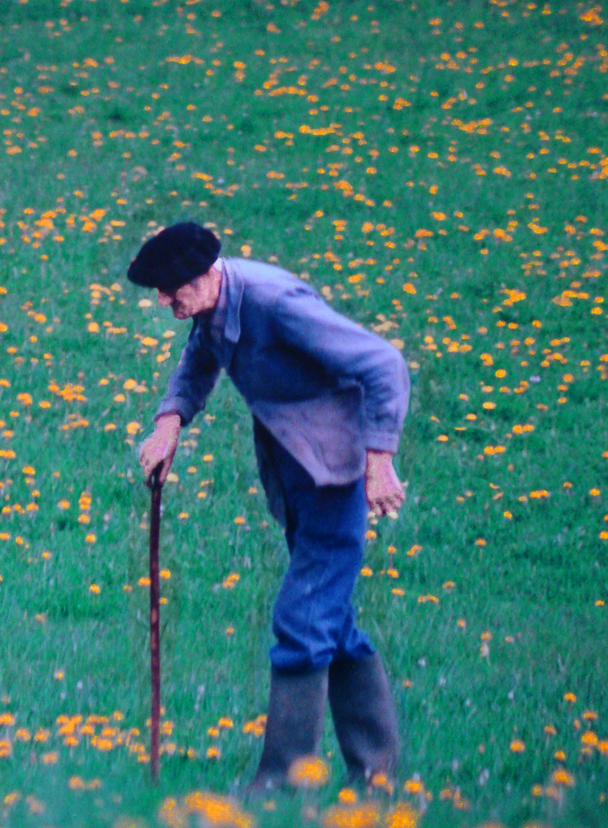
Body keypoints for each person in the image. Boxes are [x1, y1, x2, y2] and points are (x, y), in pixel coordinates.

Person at [128, 221, 409, 791]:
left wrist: (379, 461)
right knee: (334, 625)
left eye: (168, 288)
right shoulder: (213, 306)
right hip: (295, 471)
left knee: (303, 619)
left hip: (336, 473)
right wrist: (169, 423)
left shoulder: (275, 302)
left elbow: (384, 365)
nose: (163, 301)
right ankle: (377, 780)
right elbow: (199, 361)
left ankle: (279, 786)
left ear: (205, 275)